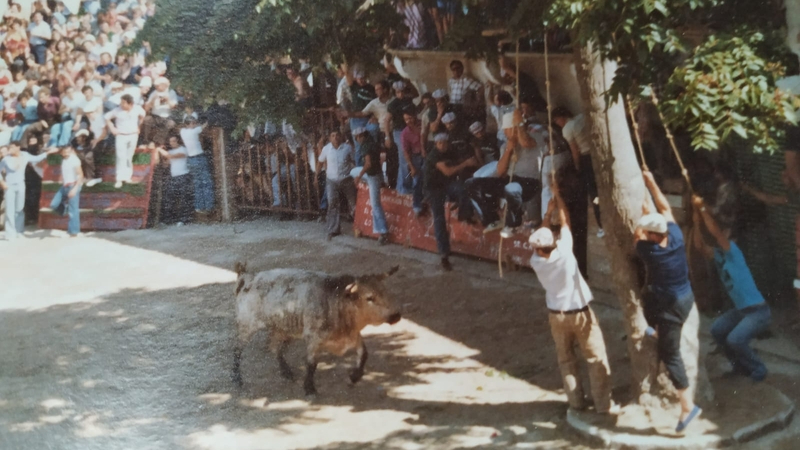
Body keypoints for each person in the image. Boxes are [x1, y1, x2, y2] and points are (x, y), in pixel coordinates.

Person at [529, 187, 616, 415]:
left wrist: (547, 214)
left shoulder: (536, 262)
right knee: (595, 356)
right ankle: (603, 404)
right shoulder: (565, 252)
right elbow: (565, 221)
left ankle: (576, 403)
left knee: (566, 360)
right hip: (580, 312)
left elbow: (543, 235)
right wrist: (558, 196)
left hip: (556, 315)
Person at [635, 170, 702, 432]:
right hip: (684, 297)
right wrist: (651, 181)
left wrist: (641, 218)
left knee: (669, 354)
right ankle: (659, 330)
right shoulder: (675, 235)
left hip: (673, 307)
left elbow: (637, 237)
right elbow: (664, 207)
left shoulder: (648, 251)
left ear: (652, 235)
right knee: (649, 297)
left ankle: (688, 406)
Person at [691, 195, 771, 381]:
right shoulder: (719, 254)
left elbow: (716, 233)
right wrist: (696, 219)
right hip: (742, 311)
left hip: (758, 312)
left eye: (723, 231)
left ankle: (759, 370)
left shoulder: (733, 251)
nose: (719, 234)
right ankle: (740, 368)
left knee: (735, 339)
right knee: (717, 330)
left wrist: (702, 209)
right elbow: (699, 246)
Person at [424, 132, 478, 271]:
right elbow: (448, 171)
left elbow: (458, 163)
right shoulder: (434, 155)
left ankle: (464, 214)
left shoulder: (451, 150)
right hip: (434, 189)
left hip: (446, 185)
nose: (442, 146)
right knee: (439, 219)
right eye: (440, 143)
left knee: (464, 188)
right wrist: (466, 163)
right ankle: (444, 254)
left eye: (445, 143)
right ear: (436, 144)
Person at [552, 107, 604, 238]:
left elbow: (575, 150)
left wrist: (577, 167)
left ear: (561, 117)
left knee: (593, 192)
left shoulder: (567, 129)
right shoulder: (582, 117)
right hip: (598, 153)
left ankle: (601, 225)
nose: (557, 123)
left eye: (556, 120)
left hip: (586, 157)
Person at [0, 141, 56, 240]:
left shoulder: (25, 155)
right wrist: (2, 183)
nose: (10, 150)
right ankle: (10, 233)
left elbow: (36, 158)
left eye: (12, 147)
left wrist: (48, 152)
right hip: (9, 186)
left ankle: (19, 231)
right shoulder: (6, 159)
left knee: (20, 209)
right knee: (10, 210)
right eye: (10, 148)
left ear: (18, 147)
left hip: (21, 184)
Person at [353, 127, 389, 245]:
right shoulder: (372, 142)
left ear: (360, 136)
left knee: (375, 204)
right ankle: (381, 230)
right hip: (377, 173)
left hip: (372, 175)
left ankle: (383, 231)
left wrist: (359, 176)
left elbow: (368, 163)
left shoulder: (365, 146)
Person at [317, 130, 356, 241]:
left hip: (346, 179)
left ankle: (359, 227)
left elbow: (353, 161)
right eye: (333, 136)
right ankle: (333, 229)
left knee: (353, 203)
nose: (335, 138)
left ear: (341, 137)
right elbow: (320, 162)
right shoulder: (326, 149)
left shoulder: (347, 148)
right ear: (330, 138)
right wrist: (316, 175)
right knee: (332, 203)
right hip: (332, 180)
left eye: (337, 135)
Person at [104, 94, 146, 188]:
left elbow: (143, 116)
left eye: (123, 102)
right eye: (121, 102)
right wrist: (112, 129)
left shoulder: (137, 108)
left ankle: (127, 177)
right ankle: (119, 179)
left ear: (130, 103)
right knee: (120, 156)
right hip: (121, 136)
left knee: (128, 157)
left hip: (133, 135)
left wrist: (139, 127)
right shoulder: (117, 110)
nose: (121, 104)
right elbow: (107, 118)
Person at [179, 116, 215, 216]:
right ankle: (209, 205)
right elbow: (203, 126)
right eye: (193, 123)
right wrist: (208, 120)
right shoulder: (194, 131)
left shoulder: (183, 131)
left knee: (197, 184)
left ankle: (199, 206)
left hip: (191, 159)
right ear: (188, 124)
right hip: (199, 157)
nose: (194, 124)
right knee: (206, 182)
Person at [386, 80, 416, 194]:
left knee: (409, 158)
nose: (400, 94)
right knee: (404, 159)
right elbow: (387, 120)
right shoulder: (393, 104)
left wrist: (409, 83)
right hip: (399, 131)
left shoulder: (408, 100)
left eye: (402, 91)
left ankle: (401, 186)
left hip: (409, 130)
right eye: (398, 92)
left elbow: (416, 93)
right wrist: (387, 137)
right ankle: (405, 188)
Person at [156, 135, 194, 225]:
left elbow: (174, 156)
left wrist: (160, 150)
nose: (171, 143)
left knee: (183, 199)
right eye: (170, 141)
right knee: (169, 198)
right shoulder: (171, 151)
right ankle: (168, 220)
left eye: (173, 141)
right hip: (173, 177)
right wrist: (162, 158)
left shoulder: (183, 149)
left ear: (178, 141)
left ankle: (183, 220)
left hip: (183, 176)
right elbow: (166, 164)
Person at [49, 145, 84, 237]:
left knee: (73, 210)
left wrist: (75, 189)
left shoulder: (74, 160)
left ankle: (74, 232)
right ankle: (67, 207)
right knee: (54, 204)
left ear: (71, 150)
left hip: (73, 185)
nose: (66, 152)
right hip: (65, 186)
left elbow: (80, 175)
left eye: (68, 150)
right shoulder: (64, 160)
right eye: (64, 151)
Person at [401, 109, 426, 215]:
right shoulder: (405, 133)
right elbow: (406, 152)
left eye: (410, 118)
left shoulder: (423, 124)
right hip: (416, 157)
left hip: (428, 154)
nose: (408, 121)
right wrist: (411, 167)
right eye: (406, 119)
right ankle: (417, 206)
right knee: (416, 180)